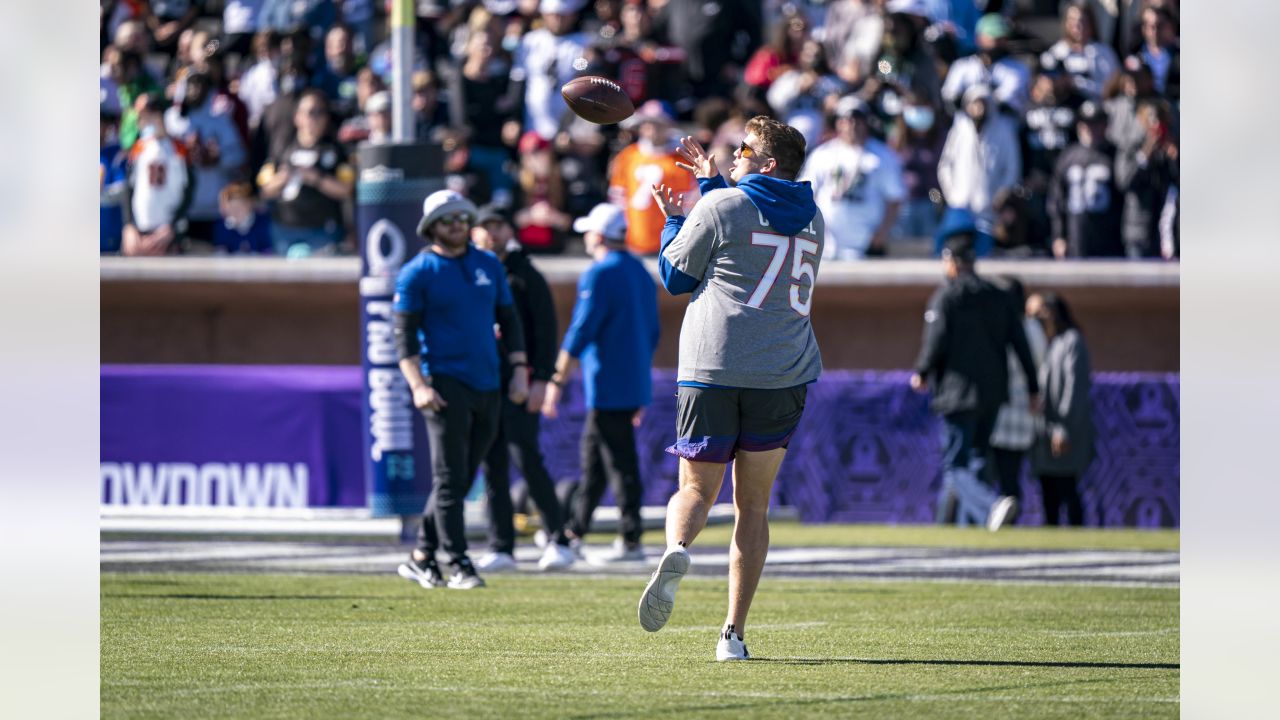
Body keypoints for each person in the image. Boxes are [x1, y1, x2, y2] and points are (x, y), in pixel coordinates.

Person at [641, 116, 821, 661]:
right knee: (754, 508)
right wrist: (712, 185)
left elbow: (676, 277)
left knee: (696, 490)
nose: (733, 154)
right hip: (782, 370)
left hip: (713, 367)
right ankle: (732, 635)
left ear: (766, 164)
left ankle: (677, 547)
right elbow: (751, 232)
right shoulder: (815, 218)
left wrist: (676, 220)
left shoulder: (721, 207)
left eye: (743, 148)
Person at [394, 190, 531, 591]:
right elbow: (402, 339)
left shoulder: (487, 263)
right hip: (443, 382)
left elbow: (510, 320)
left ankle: (422, 555)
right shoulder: (417, 272)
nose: (456, 224)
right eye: (447, 219)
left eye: (460, 217)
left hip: (489, 382)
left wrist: (520, 370)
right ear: (431, 227)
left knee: (462, 474)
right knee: (451, 476)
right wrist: (418, 385)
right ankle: (458, 562)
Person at [542, 203, 659, 564]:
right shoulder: (639, 271)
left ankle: (630, 538)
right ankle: (574, 531)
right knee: (595, 460)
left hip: (608, 382)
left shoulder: (600, 273)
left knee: (617, 462)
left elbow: (581, 329)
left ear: (598, 235)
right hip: (629, 381)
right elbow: (652, 332)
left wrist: (556, 379)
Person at [469, 204, 577, 573]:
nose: (491, 233)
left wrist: (542, 379)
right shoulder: (470, 272)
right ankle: (501, 546)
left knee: (526, 458)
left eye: (498, 226)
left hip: (520, 383)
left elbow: (545, 331)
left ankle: (558, 539)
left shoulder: (526, 275)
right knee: (492, 463)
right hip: (484, 384)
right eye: (485, 226)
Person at [910, 225, 1039, 532]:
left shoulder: (947, 297)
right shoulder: (999, 295)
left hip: (957, 392)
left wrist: (922, 371)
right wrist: (1034, 387)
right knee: (978, 458)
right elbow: (1020, 344)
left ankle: (989, 506)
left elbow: (935, 341)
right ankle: (956, 526)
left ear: (952, 262)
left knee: (955, 465)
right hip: (993, 391)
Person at [799, 95, 905, 260]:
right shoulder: (822, 155)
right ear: (838, 123)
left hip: (866, 245)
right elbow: (806, 194)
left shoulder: (883, 156)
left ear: (866, 122)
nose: (852, 125)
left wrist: (882, 234)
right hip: (827, 244)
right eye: (846, 120)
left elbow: (895, 198)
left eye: (857, 119)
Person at [257, 90, 355, 256]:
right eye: (311, 112)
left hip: (323, 233)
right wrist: (283, 178)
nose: (316, 118)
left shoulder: (337, 151)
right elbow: (264, 190)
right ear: (297, 117)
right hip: (284, 232)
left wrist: (317, 179)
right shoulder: (282, 150)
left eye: (321, 112)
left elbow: (347, 190)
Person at [1026, 291, 1095, 526]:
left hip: (1064, 430)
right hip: (1044, 431)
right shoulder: (1048, 344)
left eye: (1039, 314)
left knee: (1067, 487)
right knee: (1048, 492)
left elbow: (1073, 389)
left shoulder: (1071, 341)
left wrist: (1063, 428)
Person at [164, 72, 249, 245]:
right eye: (191, 85)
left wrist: (218, 158)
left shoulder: (221, 122)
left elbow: (239, 157)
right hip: (181, 209)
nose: (195, 90)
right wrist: (184, 154)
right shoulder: (170, 122)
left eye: (200, 85)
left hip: (214, 209)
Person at [937, 84, 1021, 252]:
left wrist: (1001, 194)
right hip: (959, 205)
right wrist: (953, 195)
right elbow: (945, 165)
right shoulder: (959, 131)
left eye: (982, 103)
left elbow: (1012, 168)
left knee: (983, 252)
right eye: (974, 103)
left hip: (988, 207)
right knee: (954, 249)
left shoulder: (1003, 132)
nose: (978, 108)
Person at [987, 276, 1047, 514]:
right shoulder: (1034, 328)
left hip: (1004, 409)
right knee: (1010, 474)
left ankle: (1002, 517)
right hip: (1024, 410)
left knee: (997, 474)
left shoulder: (1006, 326)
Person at [608, 100, 698, 255]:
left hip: (672, 244)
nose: (651, 128)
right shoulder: (628, 156)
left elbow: (692, 200)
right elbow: (617, 197)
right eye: (647, 123)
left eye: (657, 123)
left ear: (669, 126)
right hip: (633, 241)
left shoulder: (682, 158)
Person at [1048, 100, 1123, 259]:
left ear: (1105, 126)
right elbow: (1057, 200)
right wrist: (1059, 235)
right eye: (1087, 124)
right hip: (1076, 234)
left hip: (1109, 238)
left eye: (1097, 124)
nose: (1091, 129)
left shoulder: (1115, 154)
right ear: (1079, 126)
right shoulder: (1068, 156)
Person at [121, 95, 194, 256]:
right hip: (139, 231)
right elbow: (129, 189)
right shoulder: (139, 148)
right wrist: (128, 226)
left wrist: (172, 227)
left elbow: (189, 192)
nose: (142, 121)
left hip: (167, 234)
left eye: (147, 115)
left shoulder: (179, 149)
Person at [941, 13, 1030, 117]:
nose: (998, 42)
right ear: (979, 38)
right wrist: (969, 102)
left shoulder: (1018, 69)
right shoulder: (961, 66)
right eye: (994, 37)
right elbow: (949, 97)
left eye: (1002, 38)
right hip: (965, 129)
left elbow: (1009, 101)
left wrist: (980, 99)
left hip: (1003, 129)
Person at [1039, 1, 1120, 102]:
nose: (1077, 26)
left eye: (1083, 21)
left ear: (1091, 23)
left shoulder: (1103, 52)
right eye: (1072, 20)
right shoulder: (1056, 52)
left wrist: (1076, 83)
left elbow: (1111, 89)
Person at [214, 181, 272, 254]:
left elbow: (268, 250)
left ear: (249, 204)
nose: (236, 212)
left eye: (240, 207)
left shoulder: (263, 223)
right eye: (232, 208)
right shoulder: (222, 226)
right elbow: (221, 249)